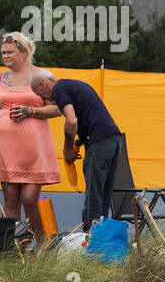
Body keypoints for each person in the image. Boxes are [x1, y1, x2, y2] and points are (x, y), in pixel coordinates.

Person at [0, 33, 60, 245]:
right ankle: (13, 245)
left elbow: (58, 108)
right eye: (3, 52)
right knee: (10, 198)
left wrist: (30, 111)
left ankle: (42, 244)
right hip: (5, 146)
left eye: (10, 52)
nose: (5, 56)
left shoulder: (41, 75)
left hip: (34, 146)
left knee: (29, 199)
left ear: (23, 53)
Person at [29, 70, 122, 231]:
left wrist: (67, 149)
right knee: (104, 192)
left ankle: (89, 235)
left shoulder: (59, 88)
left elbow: (71, 121)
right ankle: (103, 233)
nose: (44, 99)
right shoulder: (75, 85)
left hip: (99, 143)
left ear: (43, 84)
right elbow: (91, 118)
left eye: (39, 94)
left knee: (93, 192)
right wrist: (78, 142)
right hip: (114, 140)